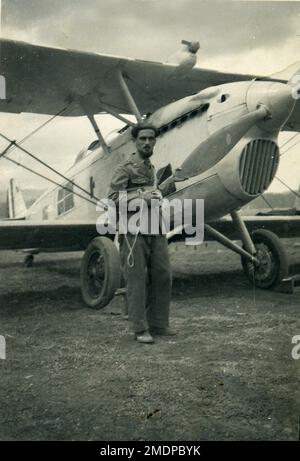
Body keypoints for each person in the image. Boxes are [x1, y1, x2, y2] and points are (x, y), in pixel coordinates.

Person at [107, 124, 175, 344]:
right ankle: (139, 328)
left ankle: (158, 323)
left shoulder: (150, 168)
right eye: (143, 138)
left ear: (155, 141)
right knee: (136, 280)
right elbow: (112, 200)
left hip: (156, 229)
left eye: (151, 139)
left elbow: (151, 194)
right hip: (133, 232)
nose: (147, 142)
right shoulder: (125, 168)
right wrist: (141, 199)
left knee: (163, 275)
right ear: (135, 141)